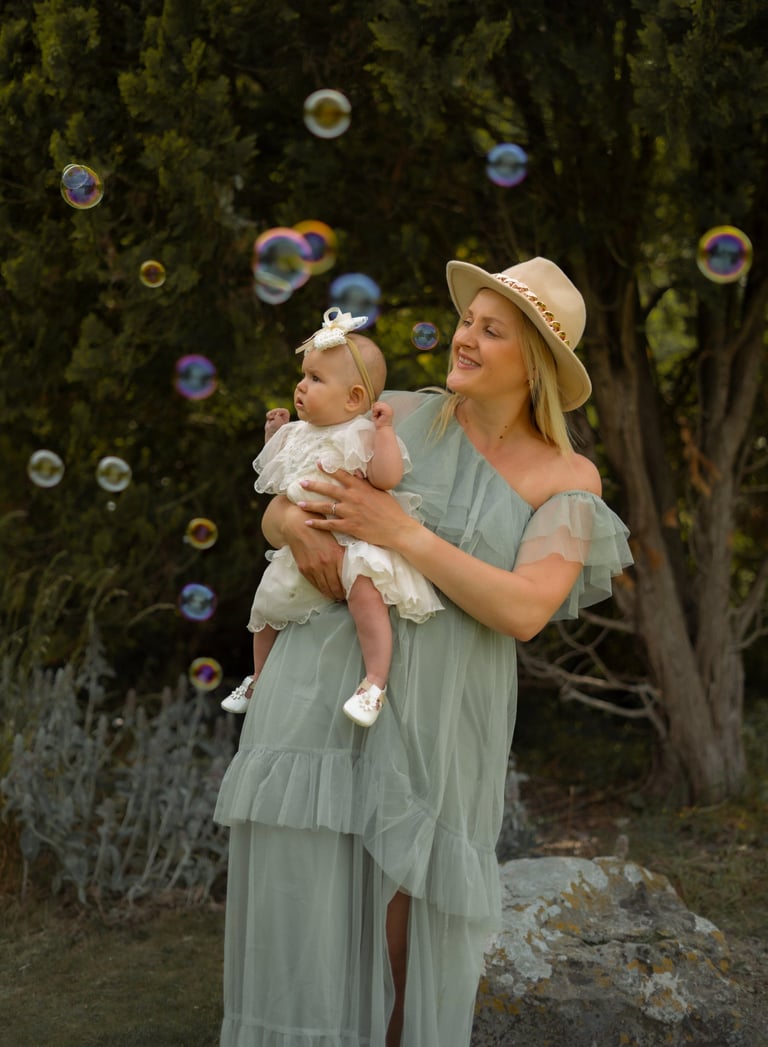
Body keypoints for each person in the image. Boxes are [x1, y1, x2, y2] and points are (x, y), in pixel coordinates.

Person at [214, 256, 633, 1047]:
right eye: (467, 321)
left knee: (405, 945)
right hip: (320, 701)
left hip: (440, 728)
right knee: (312, 922)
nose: (465, 337)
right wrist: (295, 528)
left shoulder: (567, 479)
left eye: (490, 328)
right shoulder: (396, 414)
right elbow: (284, 506)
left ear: (536, 357)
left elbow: (524, 609)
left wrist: (400, 531)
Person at [220, 307, 443, 726]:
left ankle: (374, 682)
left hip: (352, 543)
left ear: (354, 398)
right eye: (303, 376)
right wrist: (273, 434)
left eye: (315, 380)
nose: (301, 387)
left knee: (366, 596)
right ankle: (258, 678)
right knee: (266, 605)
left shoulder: (359, 433)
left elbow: (387, 476)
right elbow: (275, 475)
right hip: (304, 544)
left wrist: (386, 432)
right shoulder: (297, 433)